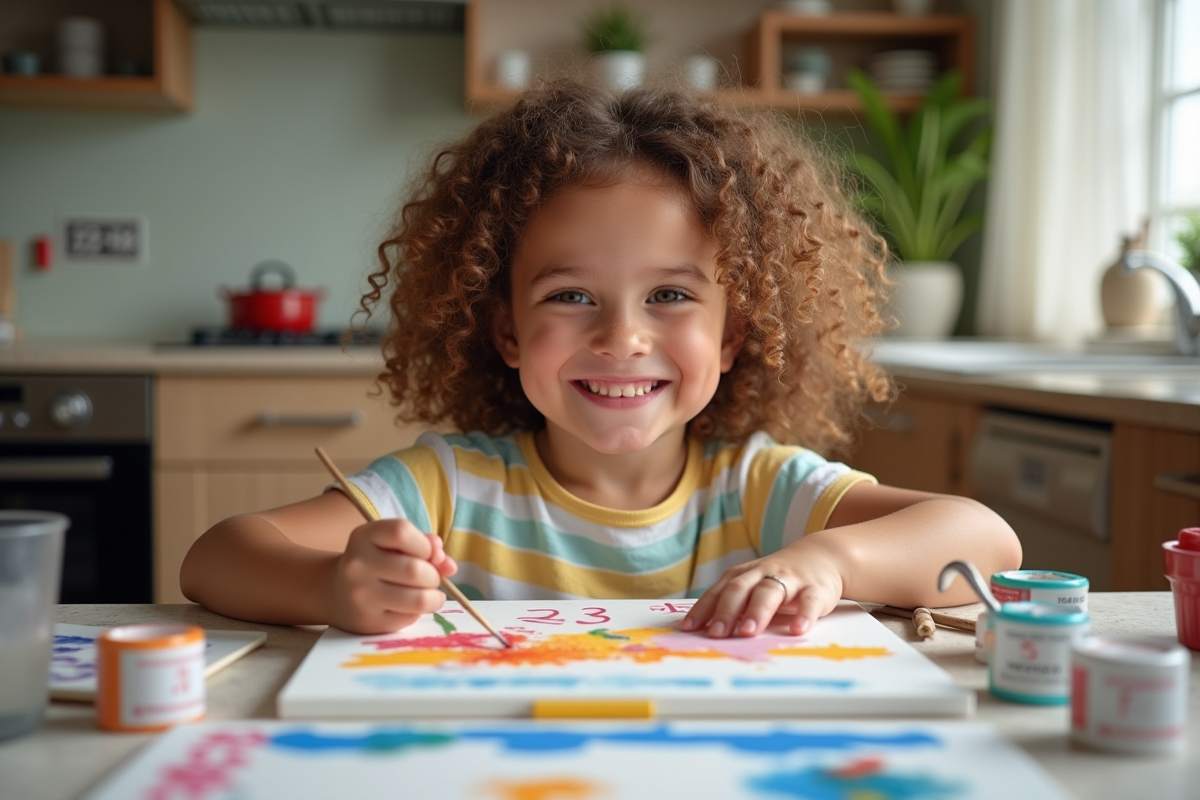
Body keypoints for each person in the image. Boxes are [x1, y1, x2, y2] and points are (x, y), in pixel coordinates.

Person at [181, 79, 1020, 639]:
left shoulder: (761, 490)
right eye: (571, 296)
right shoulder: (449, 487)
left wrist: (831, 561)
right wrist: (331, 590)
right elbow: (217, 554)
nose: (623, 339)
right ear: (506, 332)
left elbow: (987, 540)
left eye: (671, 296)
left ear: (732, 337)